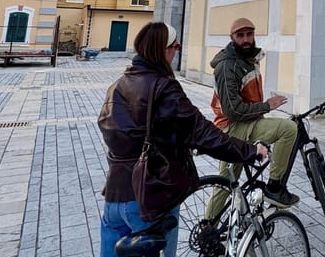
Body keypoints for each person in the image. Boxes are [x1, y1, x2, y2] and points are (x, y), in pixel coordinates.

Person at [97, 22, 269, 257]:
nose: (176, 52)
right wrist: (250, 151)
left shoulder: (119, 84)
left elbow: (109, 127)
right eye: (175, 46)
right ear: (162, 49)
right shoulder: (164, 87)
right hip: (149, 200)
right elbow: (203, 133)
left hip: (114, 198)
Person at [207, 17, 300, 209]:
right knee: (288, 129)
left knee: (227, 181)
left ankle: (209, 228)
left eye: (249, 34)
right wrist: (267, 106)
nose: (246, 39)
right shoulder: (227, 66)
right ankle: (275, 187)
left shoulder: (248, 59)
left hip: (245, 124)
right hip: (232, 127)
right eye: (240, 35)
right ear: (231, 38)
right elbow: (233, 111)